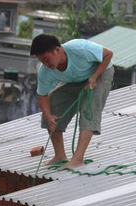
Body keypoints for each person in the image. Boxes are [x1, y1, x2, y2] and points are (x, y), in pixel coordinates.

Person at [30, 34, 114, 168]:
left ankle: (78, 159)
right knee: (51, 107)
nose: (46, 64)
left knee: (88, 110)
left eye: (47, 59)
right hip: (75, 80)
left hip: (100, 72)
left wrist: (94, 77)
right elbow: (42, 95)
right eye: (42, 61)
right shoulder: (45, 71)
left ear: (57, 50)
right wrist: (48, 116)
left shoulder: (79, 48)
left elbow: (108, 54)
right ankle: (60, 156)